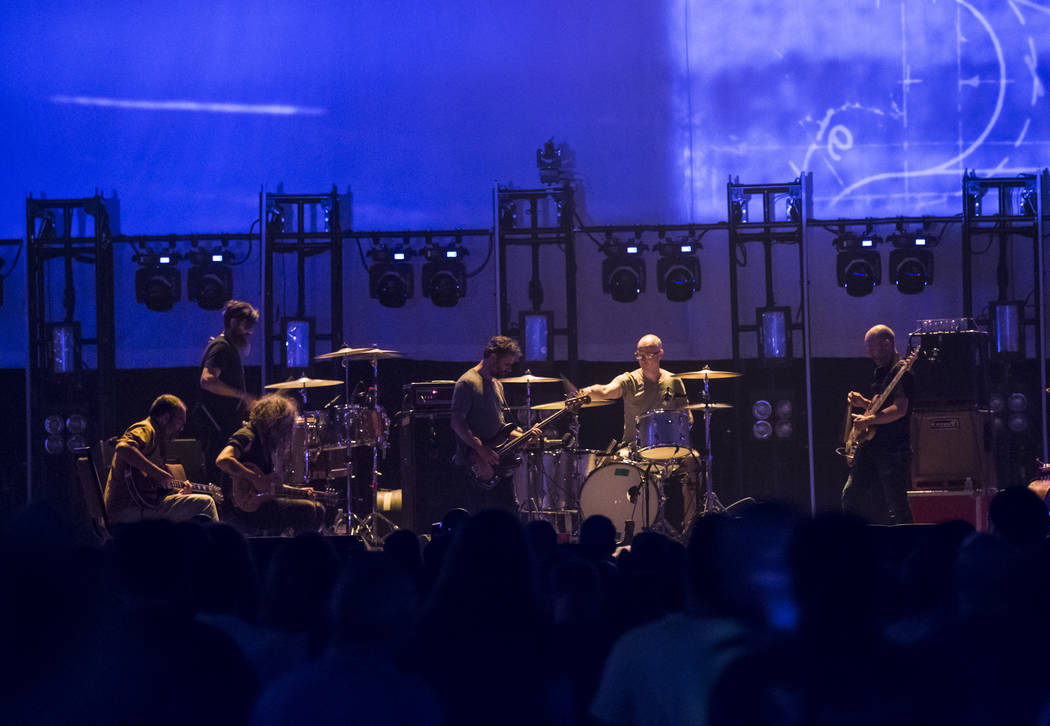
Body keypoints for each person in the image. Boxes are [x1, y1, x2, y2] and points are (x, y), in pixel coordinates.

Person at [579, 334, 696, 529]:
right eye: (639, 355)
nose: (642, 359)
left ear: (660, 354)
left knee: (694, 462)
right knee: (618, 461)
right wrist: (588, 391)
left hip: (668, 447)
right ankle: (625, 524)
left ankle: (690, 525)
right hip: (634, 448)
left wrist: (683, 440)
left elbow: (687, 416)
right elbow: (608, 390)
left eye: (647, 355)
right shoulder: (628, 380)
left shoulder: (673, 381)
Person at [450, 335, 538, 513]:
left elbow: (501, 428)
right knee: (480, 521)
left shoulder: (497, 385)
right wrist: (481, 449)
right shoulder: (467, 382)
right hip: (476, 465)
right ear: (492, 358)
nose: (509, 369)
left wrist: (524, 437)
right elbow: (457, 422)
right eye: (506, 364)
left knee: (509, 516)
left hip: (499, 465)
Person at [215, 393, 325, 534]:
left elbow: (267, 485)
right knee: (307, 510)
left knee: (318, 509)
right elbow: (223, 460)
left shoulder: (265, 443)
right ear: (275, 422)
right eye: (286, 425)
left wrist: (299, 492)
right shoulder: (248, 435)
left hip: (257, 504)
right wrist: (255, 478)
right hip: (240, 510)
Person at [104, 394, 220, 525]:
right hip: (125, 512)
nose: (181, 429)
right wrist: (157, 472)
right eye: (180, 422)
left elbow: (149, 490)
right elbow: (123, 447)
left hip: (141, 507)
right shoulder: (146, 429)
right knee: (206, 503)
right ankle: (218, 545)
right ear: (165, 418)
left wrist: (179, 494)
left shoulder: (158, 441)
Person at [841, 324, 914, 525]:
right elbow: (881, 404)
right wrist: (863, 402)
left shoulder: (902, 372)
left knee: (897, 505)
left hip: (892, 449)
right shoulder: (882, 372)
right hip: (871, 447)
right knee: (851, 495)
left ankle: (908, 546)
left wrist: (869, 419)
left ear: (887, 344)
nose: (869, 353)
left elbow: (899, 409)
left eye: (871, 347)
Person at [199, 300, 259, 476]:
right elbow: (207, 380)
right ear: (233, 322)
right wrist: (241, 395)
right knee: (219, 475)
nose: (249, 331)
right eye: (246, 325)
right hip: (218, 425)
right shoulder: (221, 347)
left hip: (224, 423)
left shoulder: (227, 347)